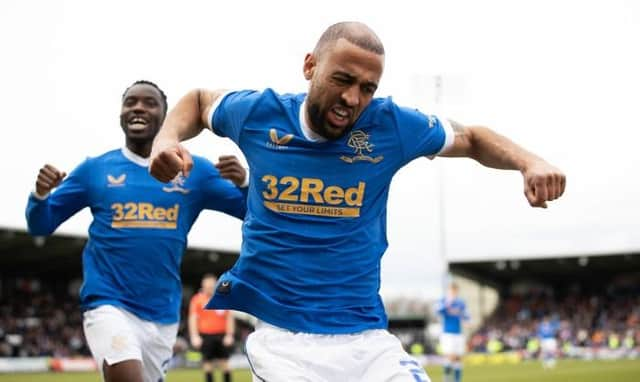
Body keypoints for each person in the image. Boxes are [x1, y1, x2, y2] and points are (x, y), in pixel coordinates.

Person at [149, 21, 566, 382]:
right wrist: (166, 139)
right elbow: (200, 101)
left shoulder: (391, 126)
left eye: (368, 88)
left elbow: (471, 138)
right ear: (310, 66)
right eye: (343, 80)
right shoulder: (260, 114)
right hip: (283, 340)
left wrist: (530, 162)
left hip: (366, 337)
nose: (353, 99)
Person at [25, 80, 248, 382]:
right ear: (121, 114)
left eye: (149, 102)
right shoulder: (96, 170)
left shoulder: (193, 171)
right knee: (125, 374)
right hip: (108, 303)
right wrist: (40, 195)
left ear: (166, 116)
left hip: (163, 312)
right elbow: (41, 224)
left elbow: (250, 212)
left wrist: (245, 183)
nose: (138, 107)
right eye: (130, 102)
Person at [189, 274, 235, 382]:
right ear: (203, 286)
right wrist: (194, 336)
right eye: (207, 285)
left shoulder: (222, 298)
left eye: (211, 285)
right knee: (207, 364)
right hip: (205, 336)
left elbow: (229, 317)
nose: (209, 288)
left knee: (225, 364)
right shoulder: (197, 299)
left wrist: (230, 335)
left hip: (221, 335)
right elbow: (193, 319)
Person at [436, 282, 469, 382]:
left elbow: (466, 315)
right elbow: (438, 311)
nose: (454, 292)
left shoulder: (461, 303)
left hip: (458, 333)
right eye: (452, 290)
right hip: (448, 333)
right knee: (450, 356)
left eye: (455, 290)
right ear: (449, 291)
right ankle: (446, 379)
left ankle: (457, 380)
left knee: (458, 358)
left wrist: (467, 321)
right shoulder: (444, 301)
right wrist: (449, 302)